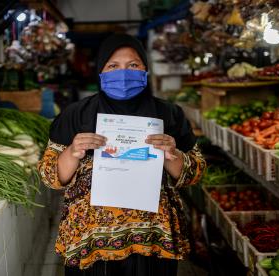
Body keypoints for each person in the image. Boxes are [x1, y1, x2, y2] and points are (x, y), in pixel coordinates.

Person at [37, 34, 205, 276]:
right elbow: (49, 177)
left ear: (146, 69)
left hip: (151, 239)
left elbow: (195, 174)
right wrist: (72, 152)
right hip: (91, 240)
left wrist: (173, 154)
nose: (123, 73)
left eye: (133, 65)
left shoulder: (169, 115)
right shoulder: (76, 115)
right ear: (101, 71)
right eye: (113, 66)